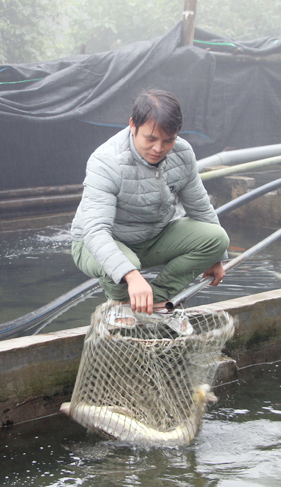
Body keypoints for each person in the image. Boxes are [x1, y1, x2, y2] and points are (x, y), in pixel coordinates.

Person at [71, 89, 229, 319]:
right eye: (151, 139)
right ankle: (122, 304)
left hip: (153, 236)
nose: (159, 149)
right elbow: (95, 232)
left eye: (169, 140)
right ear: (133, 125)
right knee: (126, 263)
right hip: (92, 242)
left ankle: (156, 300)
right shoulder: (106, 161)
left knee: (217, 238)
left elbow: (201, 208)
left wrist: (216, 257)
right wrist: (132, 276)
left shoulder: (182, 153)